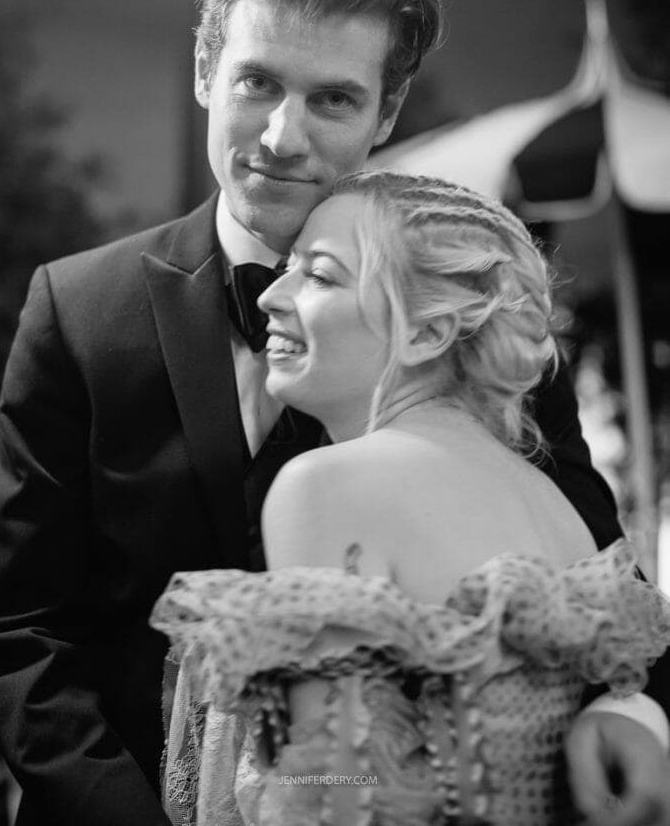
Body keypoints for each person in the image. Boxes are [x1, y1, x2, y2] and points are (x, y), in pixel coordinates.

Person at [0, 0, 667, 826]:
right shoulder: (78, 310)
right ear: (203, 73)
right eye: (257, 82)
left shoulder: (458, 320)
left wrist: (634, 713)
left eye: (333, 99)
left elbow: (598, 581)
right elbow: (21, 630)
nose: (280, 135)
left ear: (386, 112)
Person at [152, 170, 670, 825]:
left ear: (425, 334)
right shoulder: (551, 505)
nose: (270, 298)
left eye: (319, 275)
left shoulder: (325, 487)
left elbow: (335, 797)